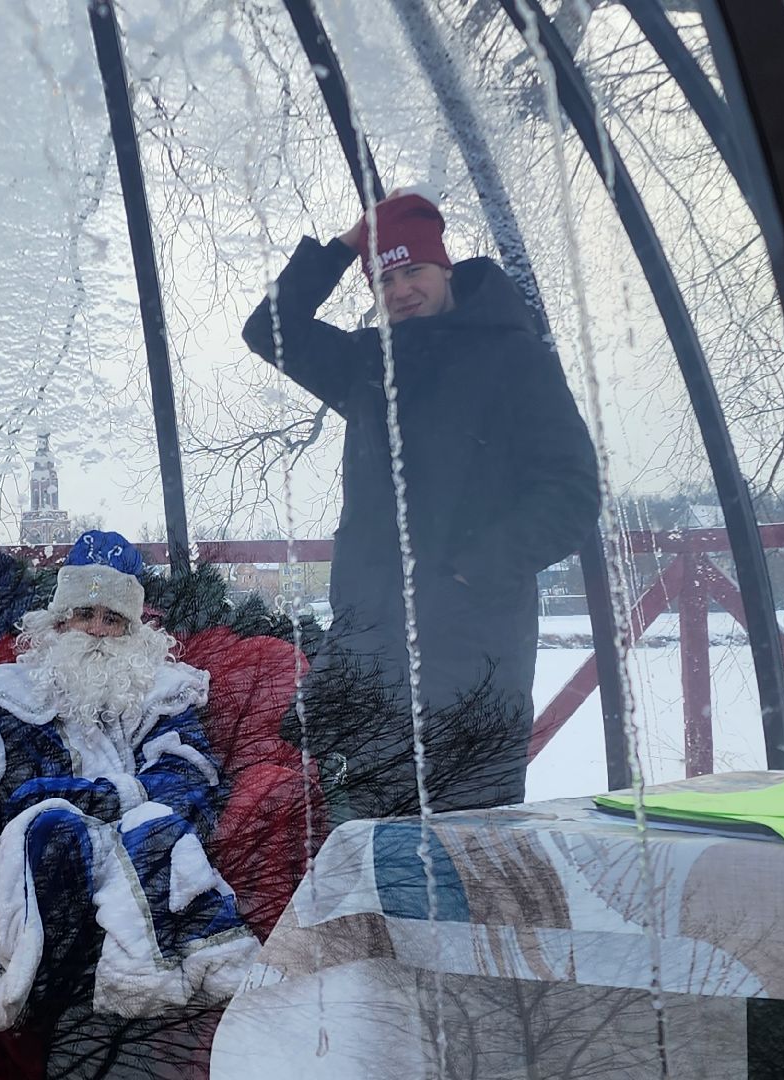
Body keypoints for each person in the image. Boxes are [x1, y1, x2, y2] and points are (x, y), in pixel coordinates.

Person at [243, 192, 600, 817]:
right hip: (369, 641)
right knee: (361, 830)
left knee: (469, 833)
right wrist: (342, 249)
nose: (402, 290)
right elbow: (269, 330)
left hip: (471, 640)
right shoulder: (369, 363)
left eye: (414, 271)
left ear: (446, 270)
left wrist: (470, 571)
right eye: (386, 277)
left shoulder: (513, 356)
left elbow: (573, 492)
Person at [0, 530, 258, 1073]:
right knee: (51, 828)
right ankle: (51, 1004)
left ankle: (116, 1011)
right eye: (85, 614)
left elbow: (187, 775)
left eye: (112, 619)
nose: (97, 631)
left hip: (134, 826)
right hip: (47, 839)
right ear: (58, 622)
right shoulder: (14, 690)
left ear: (135, 629)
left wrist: (110, 796)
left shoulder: (163, 690)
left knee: (151, 825)